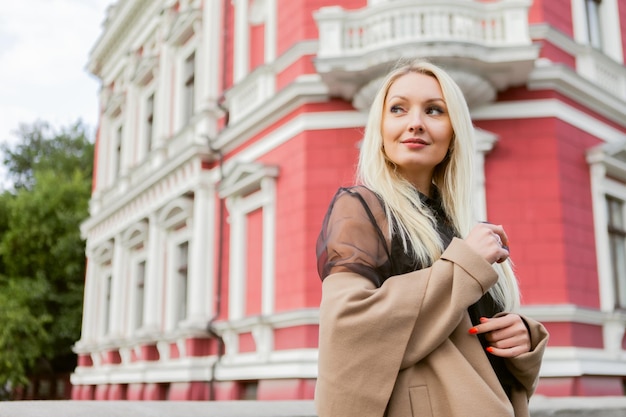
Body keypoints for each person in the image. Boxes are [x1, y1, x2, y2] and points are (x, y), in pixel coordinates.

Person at [314, 59, 549, 417]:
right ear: (380, 127)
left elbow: (466, 328)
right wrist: (466, 264)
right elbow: (348, 326)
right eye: (398, 109)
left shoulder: (464, 227)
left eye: (435, 110)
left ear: (454, 132)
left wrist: (521, 336)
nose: (415, 123)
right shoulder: (362, 208)